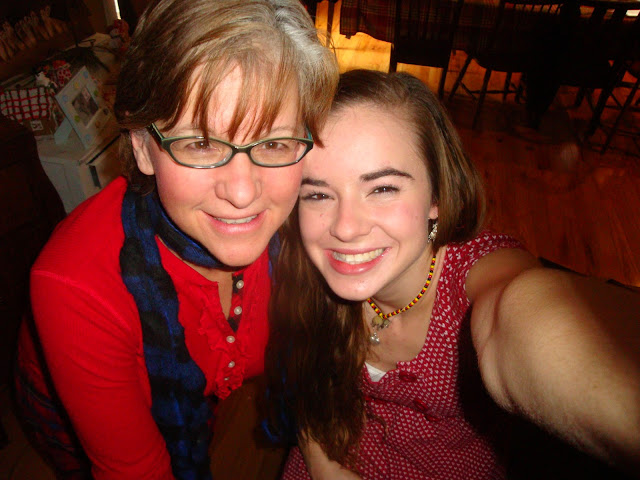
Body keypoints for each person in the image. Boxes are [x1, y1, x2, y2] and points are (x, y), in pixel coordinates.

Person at [14, 0, 338, 479]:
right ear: (143, 147)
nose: (242, 193)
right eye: (201, 144)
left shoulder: (310, 213)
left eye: (273, 143)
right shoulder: (74, 287)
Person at [265, 69, 640, 479]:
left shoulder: (476, 282)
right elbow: (306, 382)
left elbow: (525, 315)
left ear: (438, 196)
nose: (345, 227)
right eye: (318, 194)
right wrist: (326, 469)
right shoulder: (302, 264)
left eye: (383, 188)